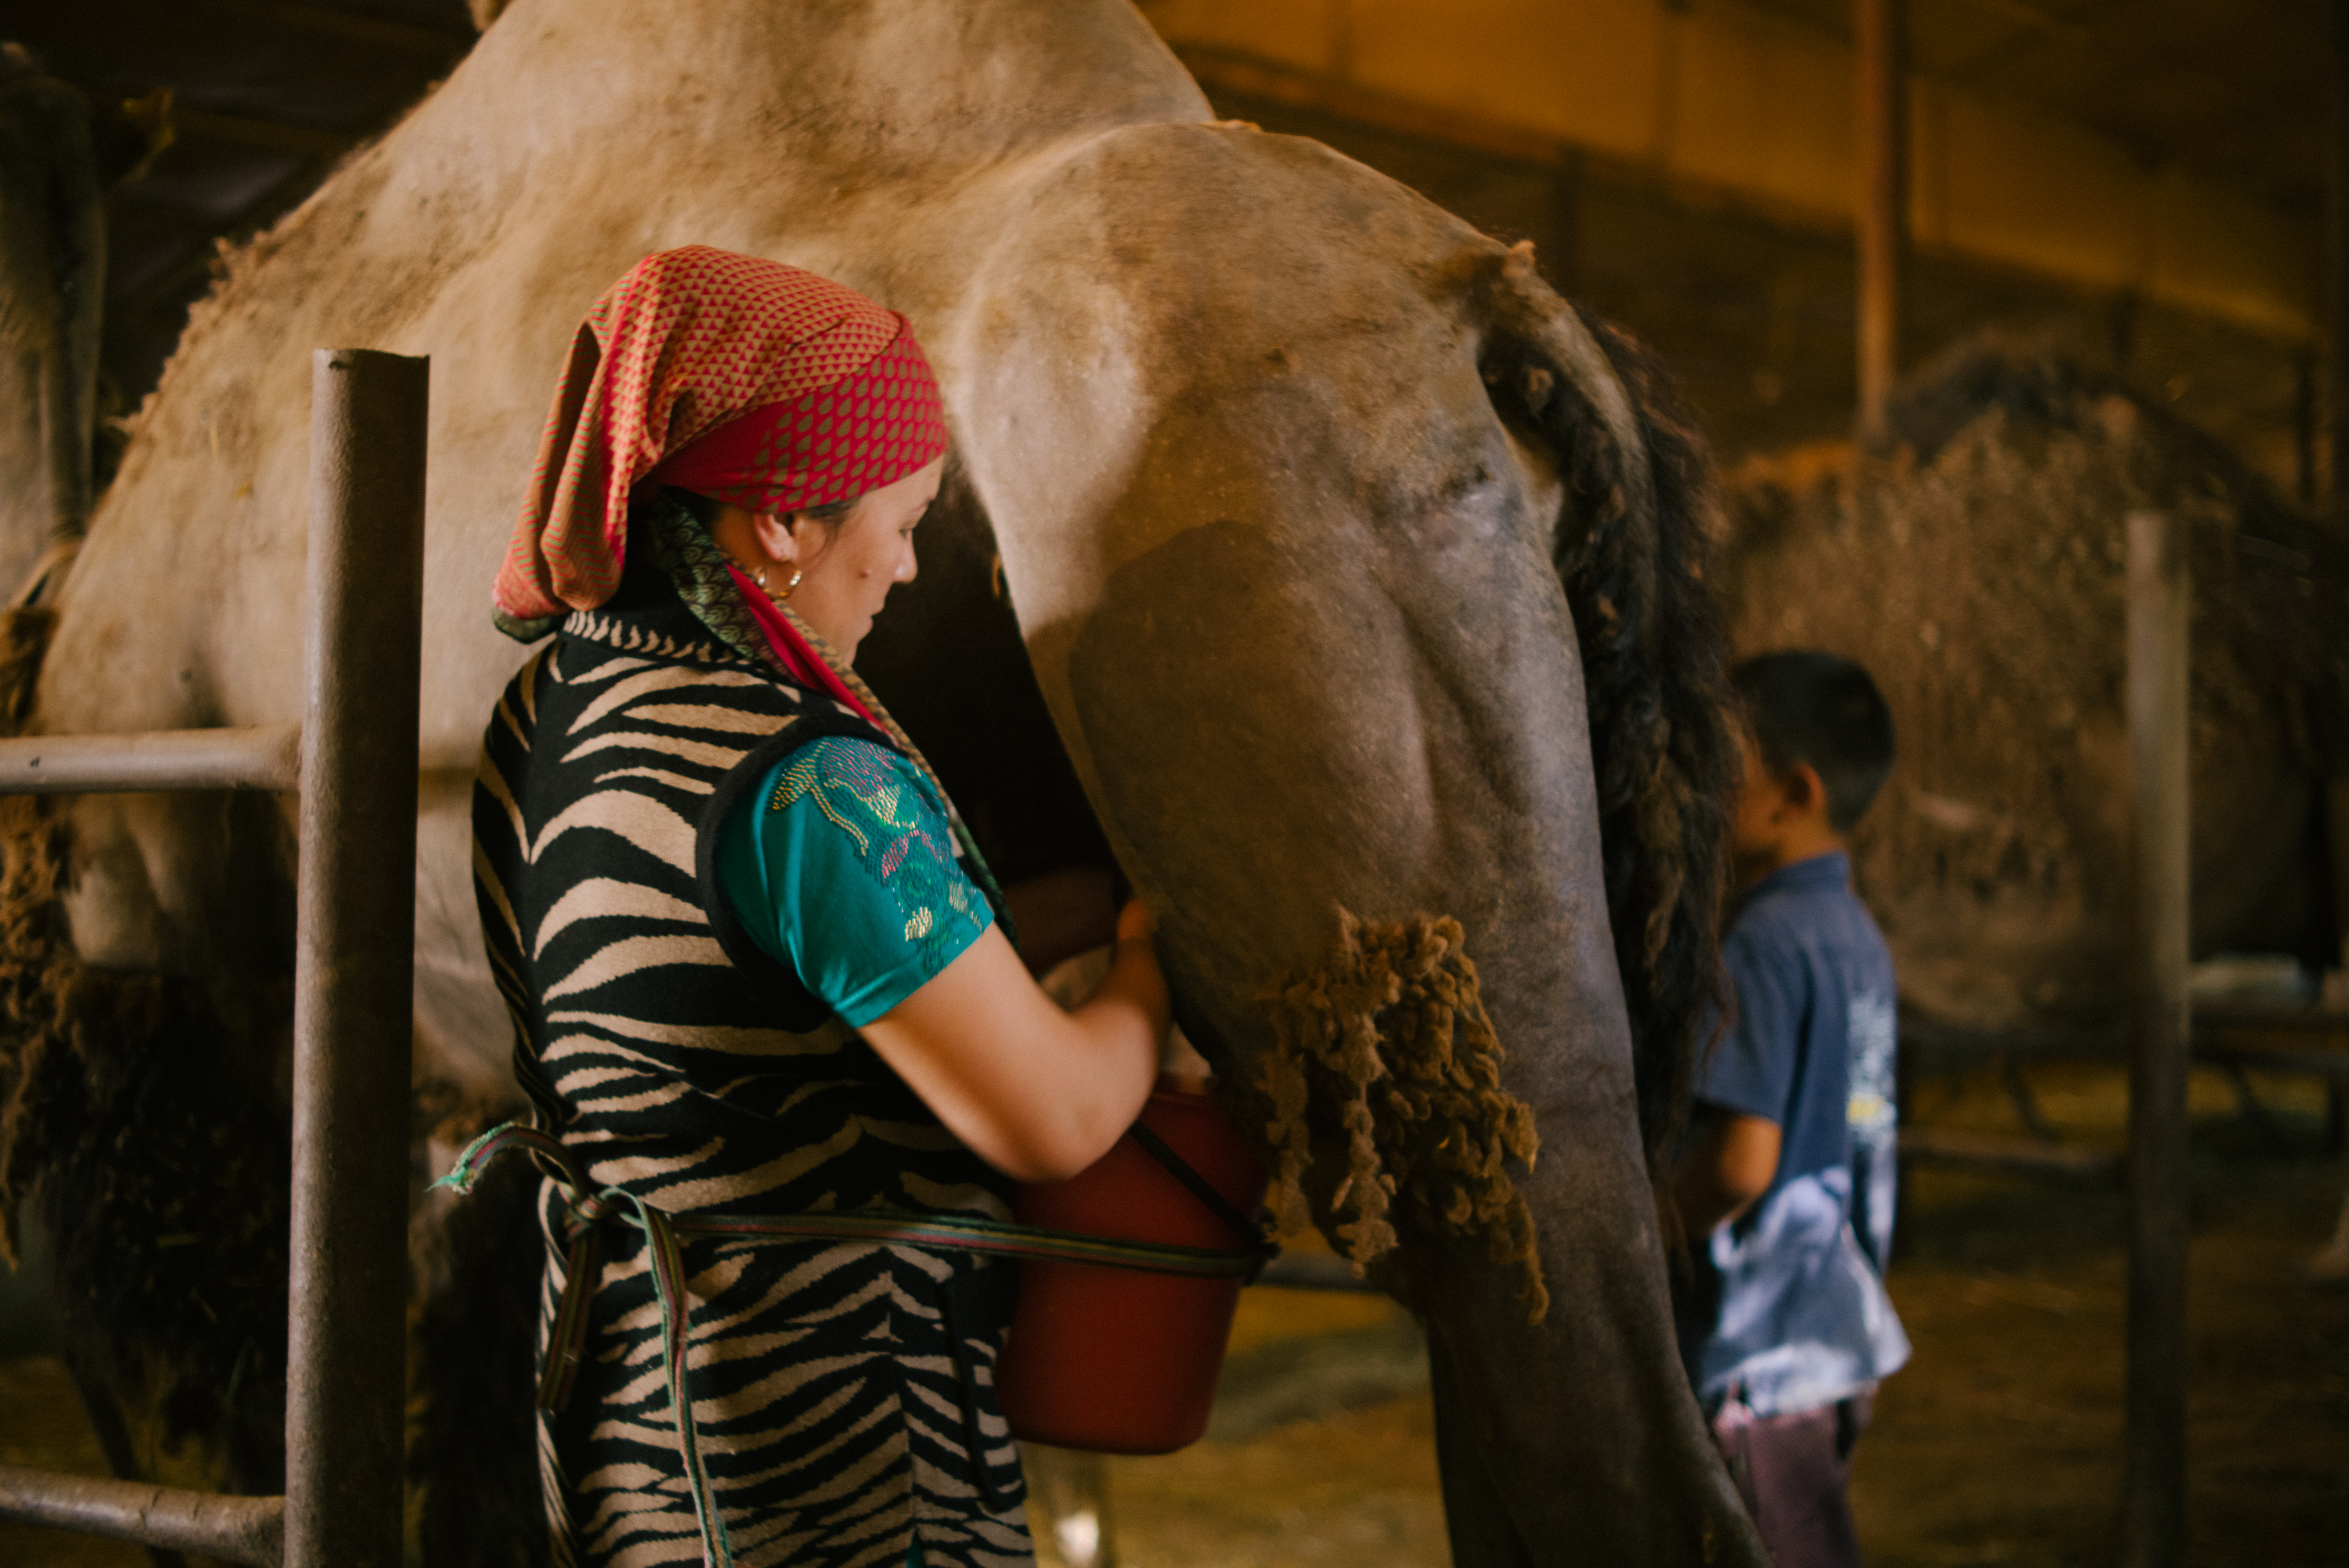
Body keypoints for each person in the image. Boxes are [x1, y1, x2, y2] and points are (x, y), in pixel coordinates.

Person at [469, 245, 1168, 1568]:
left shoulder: (552, 701)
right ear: (783, 519)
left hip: (627, 1405)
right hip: (830, 1445)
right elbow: (1058, 1113)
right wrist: (1146, 954)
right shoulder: (809, 786)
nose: (905, 569)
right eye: (901, 524)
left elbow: (730, 984)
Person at [1672, 650, 1911, 1568]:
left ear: (1791, 791)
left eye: (1721, 759)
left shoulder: (1761, 942)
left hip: (1759, 1356)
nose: (1698, 783)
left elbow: (1742, 1161)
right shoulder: (1856, 936)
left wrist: (1653, 1226)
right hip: (1834, 1327)